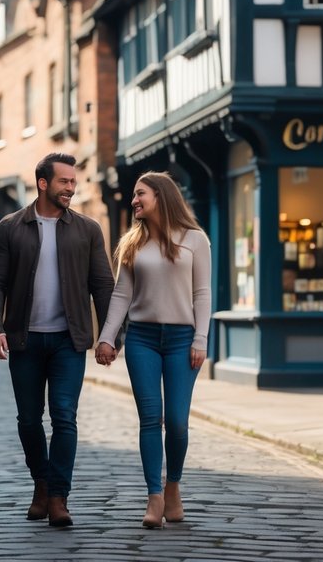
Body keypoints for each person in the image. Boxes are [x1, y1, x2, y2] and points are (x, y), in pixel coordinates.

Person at [0, 152, 115, 528]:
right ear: (43, 184)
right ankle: (40, 482)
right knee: (28, 420)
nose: (71, 188)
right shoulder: (10, 227)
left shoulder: (88, 229)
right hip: (23, 340)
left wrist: (109, 335)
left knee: (64, 417)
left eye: (73, 182)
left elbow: (103, 284)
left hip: (67, 342)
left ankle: (58, 496)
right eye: (64, 182)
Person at [95, 171, 211, 529]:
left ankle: (172, 486)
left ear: (161, 196)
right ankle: (153, 497)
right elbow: (121, 295)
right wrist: (107, 337)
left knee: (176, 421)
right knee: (150, 419)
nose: (134, 201)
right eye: (133, 195)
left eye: (139, 194)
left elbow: (202, 293)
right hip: (142, 339)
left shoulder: (195, 239)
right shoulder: (132, 243)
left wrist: (201, 339)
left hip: (181, 341)